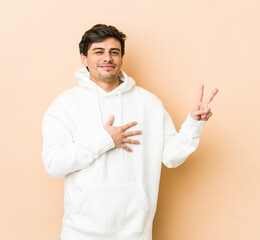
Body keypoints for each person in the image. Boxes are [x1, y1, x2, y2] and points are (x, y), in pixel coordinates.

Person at [41, 24, 218, 240]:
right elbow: (54, 164)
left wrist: (193, 123)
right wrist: (105, 139)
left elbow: (171, 157)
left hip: (135, 233)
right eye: (99, 52)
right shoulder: (65, 105)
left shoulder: (148, 103)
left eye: (114, 52)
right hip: (80, 233)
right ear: (84, 59)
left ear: (121, 58)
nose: (107, 58)